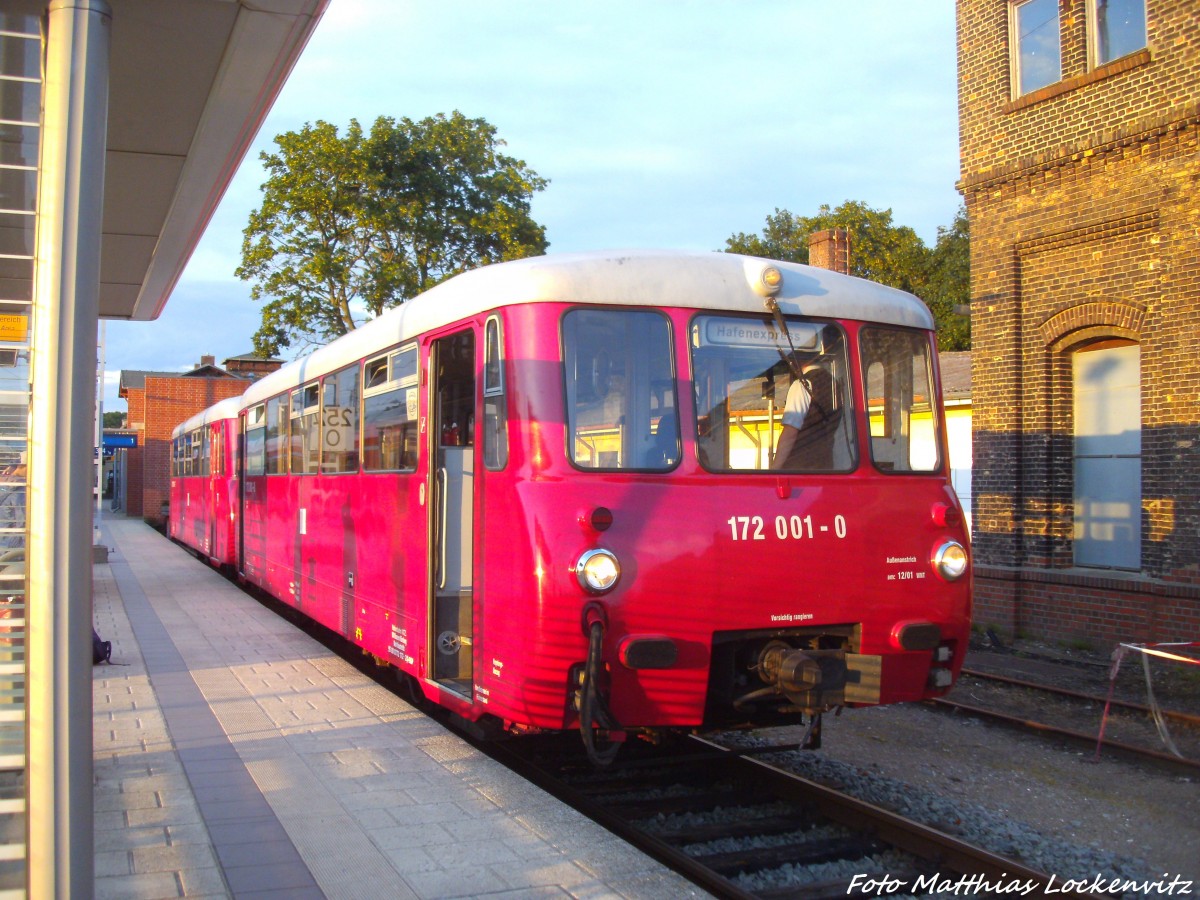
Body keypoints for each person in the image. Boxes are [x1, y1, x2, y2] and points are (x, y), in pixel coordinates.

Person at [771, 353, 839, 470]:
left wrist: (774, 470)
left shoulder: (802, 384)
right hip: (827, 465)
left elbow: (790, 432)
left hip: (800, 468)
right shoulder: (836, 385)